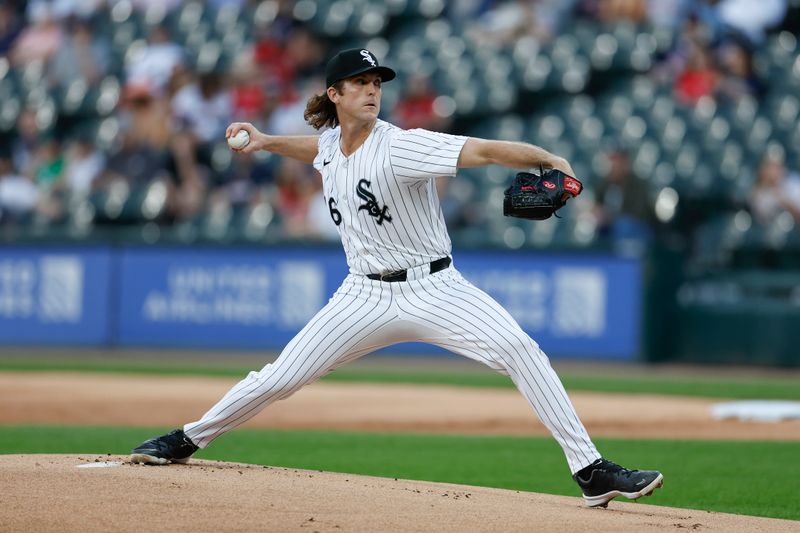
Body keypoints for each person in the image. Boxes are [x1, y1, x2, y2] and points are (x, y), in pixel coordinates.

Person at [130, 48, 663, 508]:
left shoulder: (402, 144)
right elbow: (316, 149)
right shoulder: (330, 146)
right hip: (361, 294)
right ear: (334, 93)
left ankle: (590, 471)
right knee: (280, 378)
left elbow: (480, 150)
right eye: (360, 83)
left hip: (435, 288)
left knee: (522, 350)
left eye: (376, 83)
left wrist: (548, 157)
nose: (371, 91)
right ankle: (188, 438)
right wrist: (267, 140)